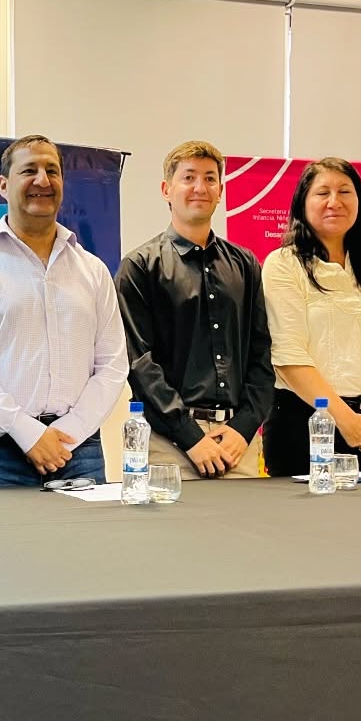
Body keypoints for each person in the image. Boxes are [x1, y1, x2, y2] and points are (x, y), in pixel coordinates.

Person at [0, 134, 128, 487]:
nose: (42, 180)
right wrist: (27, 432)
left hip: (77, 450)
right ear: (3, 185)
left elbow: (113, 365)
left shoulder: (93, 270)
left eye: (52, 171)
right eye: (29, 170)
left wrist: (67, 433)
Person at [115, 140, 273, 479]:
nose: (200, 187)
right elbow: (139, 364)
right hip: (170, 443)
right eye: (188, 177)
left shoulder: (245, 264)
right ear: (166, 190)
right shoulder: (140, 266)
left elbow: (262, 355)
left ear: (220, 191)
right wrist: (191, 437)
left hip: (237, 443)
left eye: (210, 178)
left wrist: (244, 427)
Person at [260, 157, 361, 477]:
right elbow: (288, 356)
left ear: (359, 201)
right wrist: (345, 421)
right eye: (322, 193)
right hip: (304, 424)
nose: (334, 202)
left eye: (345, 192)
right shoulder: (283, 264)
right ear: (303, 203)